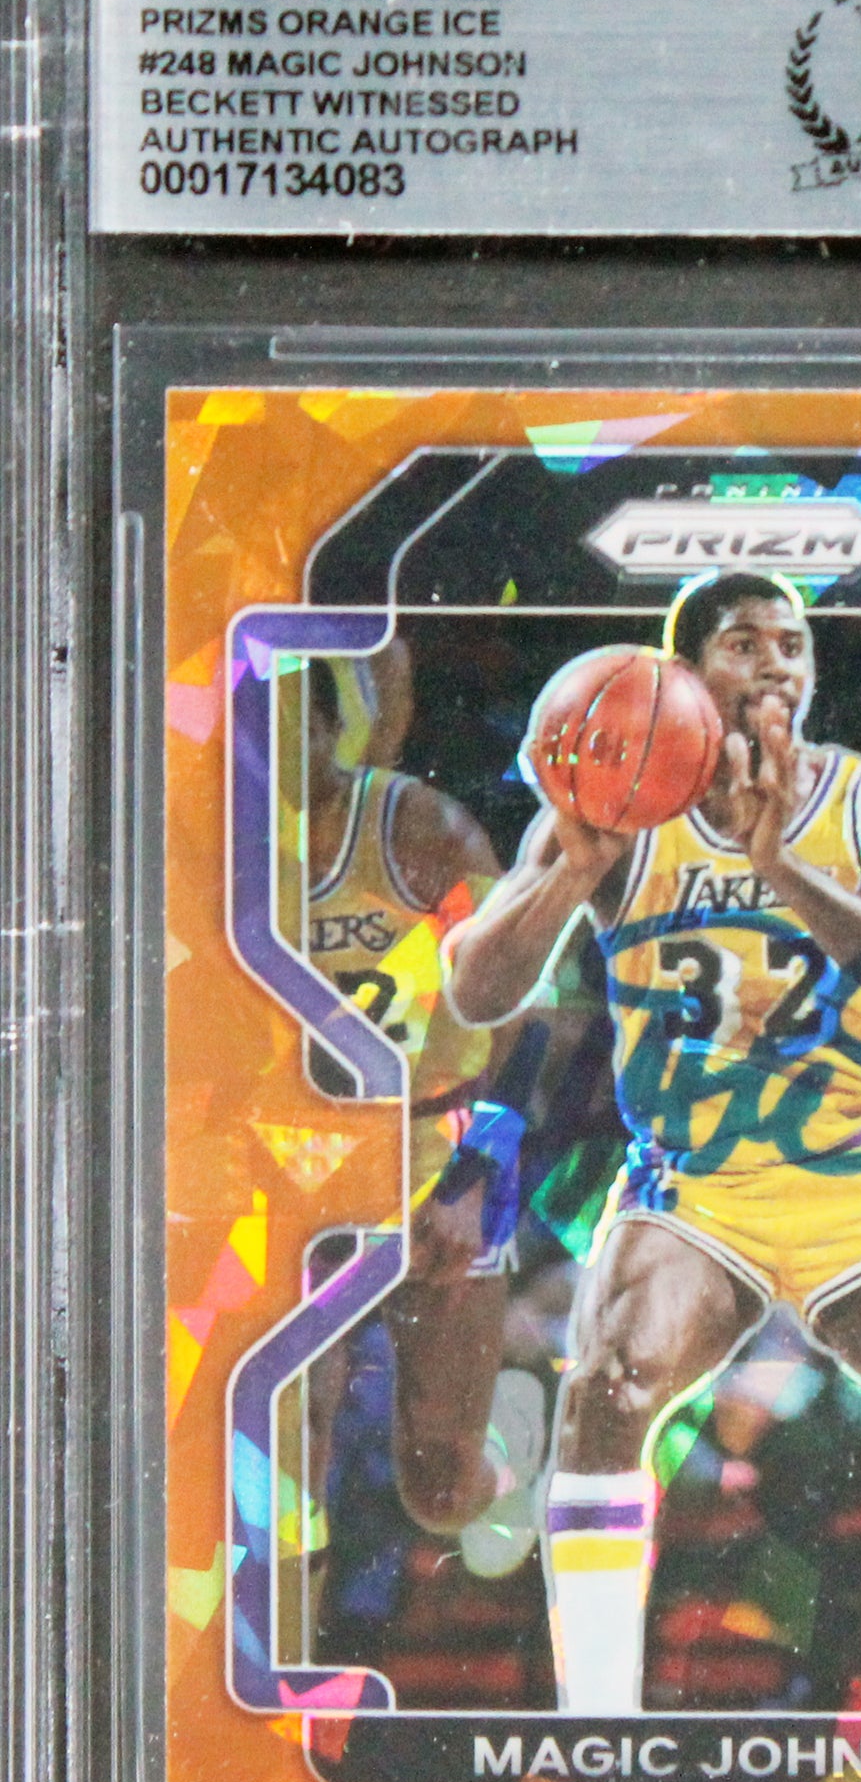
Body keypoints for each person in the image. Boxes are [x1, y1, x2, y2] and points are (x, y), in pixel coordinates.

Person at [445, 574, 861, 1713]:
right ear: (685, 670)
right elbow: (474, 990)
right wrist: (574, 871)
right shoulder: (618, 808)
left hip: (854, 1178)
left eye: (792, 645)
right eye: (745, 643)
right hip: (692, 1188)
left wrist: (780, 867)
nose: (776, 666)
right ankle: (598, 1718)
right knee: (605, 1387)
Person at [302, 657, 535, 1569]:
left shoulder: (424, 832)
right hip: (303, 1164)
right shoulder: (215, 840)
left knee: (438, 1490)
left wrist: (472, 1178)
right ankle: (284, 1634)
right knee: (292, 1443)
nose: (269, 758)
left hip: (440, 1142)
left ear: (332, 730)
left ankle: (512, 1444)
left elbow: (526, 1017)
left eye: (293, 730)